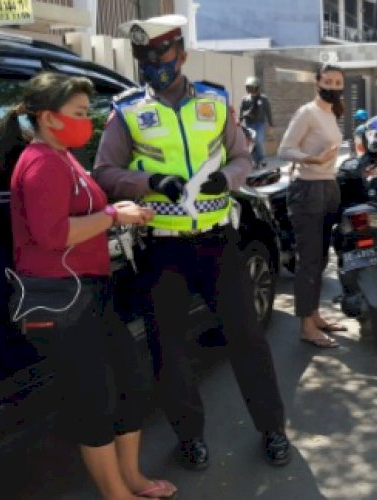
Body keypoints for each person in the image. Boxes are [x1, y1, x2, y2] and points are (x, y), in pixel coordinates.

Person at [92, 15, 291, 470]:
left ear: (180, 55)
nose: (155, 68)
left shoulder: (217, 102)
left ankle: (273, 428)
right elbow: (104, 173)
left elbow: (243, 154)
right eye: (146, 60)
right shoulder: (126, 111)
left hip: (218, 243)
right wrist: (149, 180)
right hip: (162, 249)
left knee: (247, 341)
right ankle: (189, 437)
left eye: (162, 57)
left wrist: (230, 177)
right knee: (169, 349)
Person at [7, 72, 176, 499]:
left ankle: (132, 479)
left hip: (91, 291)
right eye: (80, 113)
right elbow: (52, 234)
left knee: (129, 384)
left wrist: (115, 209)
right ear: (48, 117)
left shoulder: (64, 156)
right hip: (62, 296)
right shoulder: (42, 162)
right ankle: (116, 493)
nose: (88, 121)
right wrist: (114, 218)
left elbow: (85, 212)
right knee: (93, 400)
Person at [278, 63, 346, 348]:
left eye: (337, 82)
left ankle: (315, 314)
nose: (332, 86)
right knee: (308, 261)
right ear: (317, 83)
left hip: (328, 187)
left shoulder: (332, 113)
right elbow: (284, 149)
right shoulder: (307, 112)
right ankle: (306, 325)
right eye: (327, 81)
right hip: (307, 189)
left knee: (320, 259)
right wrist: (311, 159)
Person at [239, 76, 274, 167]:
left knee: (258, 140)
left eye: (252, 87)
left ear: (257, 87)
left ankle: (261, 158)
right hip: (249, 124)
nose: (250, 89)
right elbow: (241, 113)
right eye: (249, 87)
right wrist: (239, 121)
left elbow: (268, 111)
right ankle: (256, 161)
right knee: (251, 142)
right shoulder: (244, 99)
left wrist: (271, 125)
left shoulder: (263, 99)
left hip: (260, 124)